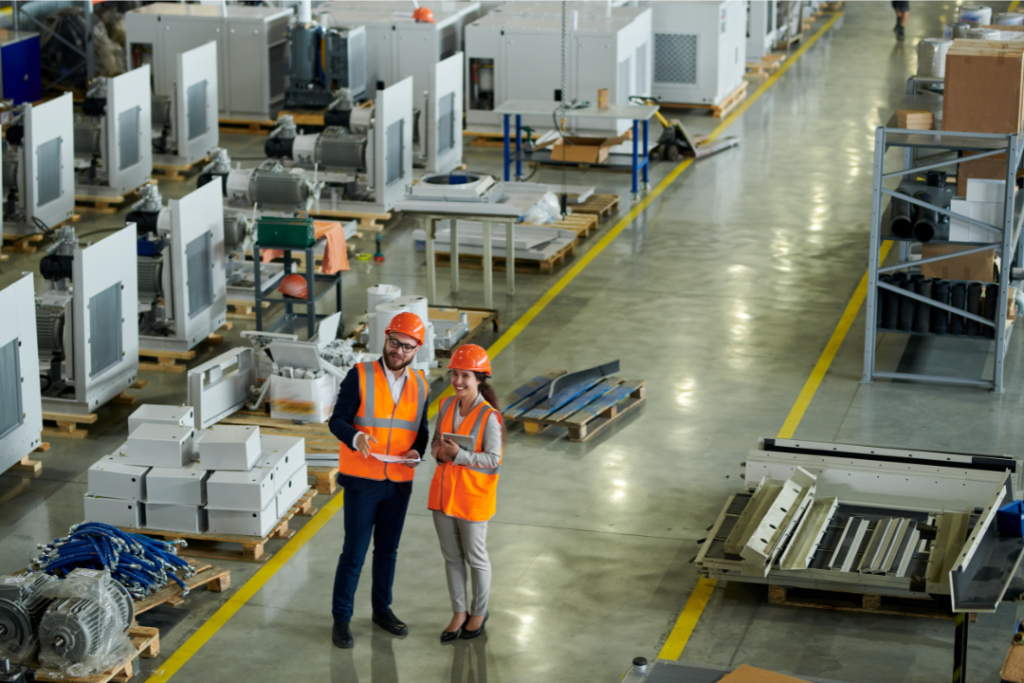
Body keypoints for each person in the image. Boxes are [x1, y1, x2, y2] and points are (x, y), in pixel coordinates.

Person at [328, 312, 430, 649]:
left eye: (407, 347)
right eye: (394, 343)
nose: (398, 351)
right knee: (354, 553)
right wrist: (355, 438)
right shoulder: (359, 376)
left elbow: (421, 432)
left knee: (387, 551)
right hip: (363, 480)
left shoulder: (421, 384)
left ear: (417, 350)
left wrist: (417, 451)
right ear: (385, 339)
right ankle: (341, 619)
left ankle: (381, 610)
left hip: (399, 481)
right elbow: (337, 420)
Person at [428, 344, 504, 642]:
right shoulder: (447, 406)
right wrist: (439, 454)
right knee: (451, 557)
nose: (458, 381)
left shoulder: (489, 417)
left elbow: (494, 459)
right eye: (455, 374)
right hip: (443, 495)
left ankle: (478, 611)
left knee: (475, 557)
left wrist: (459, 455)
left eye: (465, 376)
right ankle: (459, 611)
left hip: (472, 499)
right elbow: (435, 440)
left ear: (479, 379)